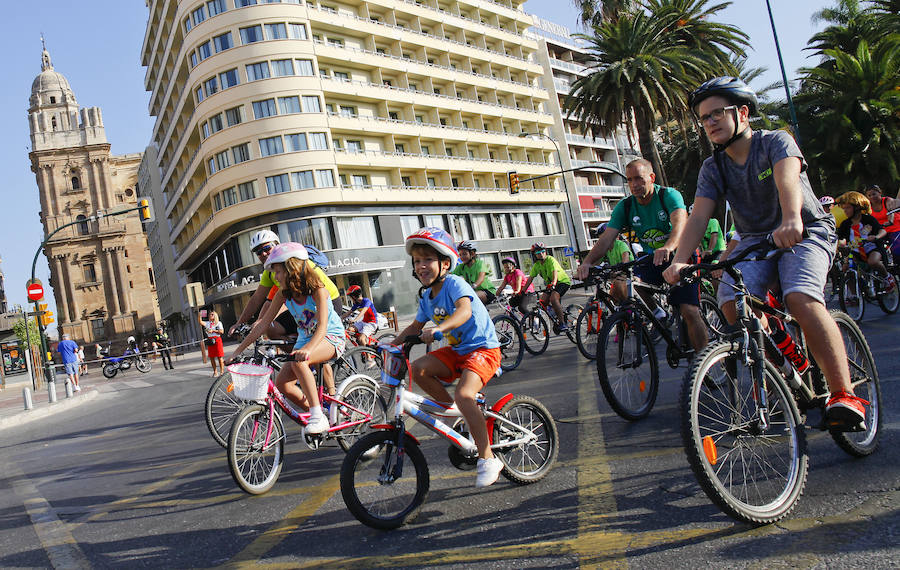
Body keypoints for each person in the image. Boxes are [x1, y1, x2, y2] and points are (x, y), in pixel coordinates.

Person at [663, 75, 867, 430]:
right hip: (756, 241)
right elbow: (698, 216)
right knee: (731, 305)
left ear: (742, 113)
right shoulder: (714, 167)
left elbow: (788, 182)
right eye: (704, 118)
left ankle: (844, 393)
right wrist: (681, 258)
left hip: (805, 230)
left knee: (800, 298)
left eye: (717, 114)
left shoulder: (775, 142)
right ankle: (789, 366)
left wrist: (790, 220)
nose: (709, 122)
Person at [396, 227, 503, 487]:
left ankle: (488, 457)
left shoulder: (454, 283)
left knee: (465, 394)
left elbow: (464, 311)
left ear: (445, 263)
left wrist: (440, 329)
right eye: (417, 261)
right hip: (458, 351)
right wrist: (387, 344)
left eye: (427, 260)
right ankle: (457, 415)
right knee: (418, 369)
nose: (421, 266)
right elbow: (413, 328)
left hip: (483, 348)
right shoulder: (426, 298)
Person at [576, 158, 708, 354]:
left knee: (689, 311)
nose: (634, 185)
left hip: (680, 254)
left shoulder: (669, 196)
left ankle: (704, 363)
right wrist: (586, 263)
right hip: (651, 258)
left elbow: (680, 224)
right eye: (629, 180)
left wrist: (668, 247)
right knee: (631, 284)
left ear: (652, 177)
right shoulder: (626, 206)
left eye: (639, 178)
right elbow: (606, 239)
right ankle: (657, 313)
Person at [230, 243, 346, 434]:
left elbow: (323, 326)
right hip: (304, 340)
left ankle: (317, 417)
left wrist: (307, 350)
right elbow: (262, 325)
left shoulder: (318, 289)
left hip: (330, 337)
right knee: (282, 385)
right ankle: (322, 413)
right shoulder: (284, 295)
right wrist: (237, 351)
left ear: (291, 268)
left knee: (301, 363)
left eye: (278, 272)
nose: (275, 277)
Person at [228, 230, 341, 340]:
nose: (263, 253)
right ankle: (297, 355)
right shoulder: (270, 272)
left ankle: (309, 355)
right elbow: (258, 299)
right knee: (272, 330)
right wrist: (240, 323)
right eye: (258, 252)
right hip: (303, 308)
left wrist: (262, 321)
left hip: (328, 301)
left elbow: (289, 299)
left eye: (267, 248)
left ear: (277, 246)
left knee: (311, 337)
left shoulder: (293, 263)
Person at [835, 192, 891, 287]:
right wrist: (841, 245)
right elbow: (840, 238)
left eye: (848, 208)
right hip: (855, 252)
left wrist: (876, 237)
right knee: (846, 269)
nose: (845, 211)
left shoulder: (868, 219)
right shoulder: (845, 224)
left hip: (872, 249)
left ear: (857, 207)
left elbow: (882, 231)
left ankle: (887, 278)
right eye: (844, 208)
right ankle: (853, 295)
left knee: (873, 262)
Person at [521, 243, 573, 331]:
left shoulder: (550, 259)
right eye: (538, 252)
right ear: (534, 255)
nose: (541, 254)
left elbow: (554, 272)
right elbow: (530, 279)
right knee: (542, 302)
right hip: (550, 285)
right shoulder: (537, 265)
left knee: (553, 299)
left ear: (545, 252)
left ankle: (562, 323)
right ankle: (555, 313)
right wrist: (522, 291)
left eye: (542, 251)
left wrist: (553, 282)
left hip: (562, 282)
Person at [452, 241, 497, 305]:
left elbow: (481, 278)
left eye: (464, 254)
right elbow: (451, 276)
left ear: (472, 254)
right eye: (460, 255)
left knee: (469, 298)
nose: (462, 257)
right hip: (473, 292)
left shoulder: (479, 263)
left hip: (487, 291)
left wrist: (471, 287)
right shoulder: (461, 267)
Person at [865, 184, 900, 261]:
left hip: (894, 227)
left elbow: (890, 220)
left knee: (897, 250)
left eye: (874, 194)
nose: (872, 197)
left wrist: (882, 225)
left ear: (880, 193)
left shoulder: (887, 201)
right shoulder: (868, 207)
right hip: (881, 230)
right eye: (869, 195)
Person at [199, 311, 225, 376]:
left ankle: (222, 371)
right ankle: (215, 372)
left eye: (212, 314)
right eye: (210, 314)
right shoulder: (208, 323)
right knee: (212, 357)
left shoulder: (218, 323)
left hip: (217, 340)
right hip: (210, 340)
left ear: (215, 316)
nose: (210, 315)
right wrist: (199, 315)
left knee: (219, 356)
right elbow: (200, 322)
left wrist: (213, 330)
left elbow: (222, 331)